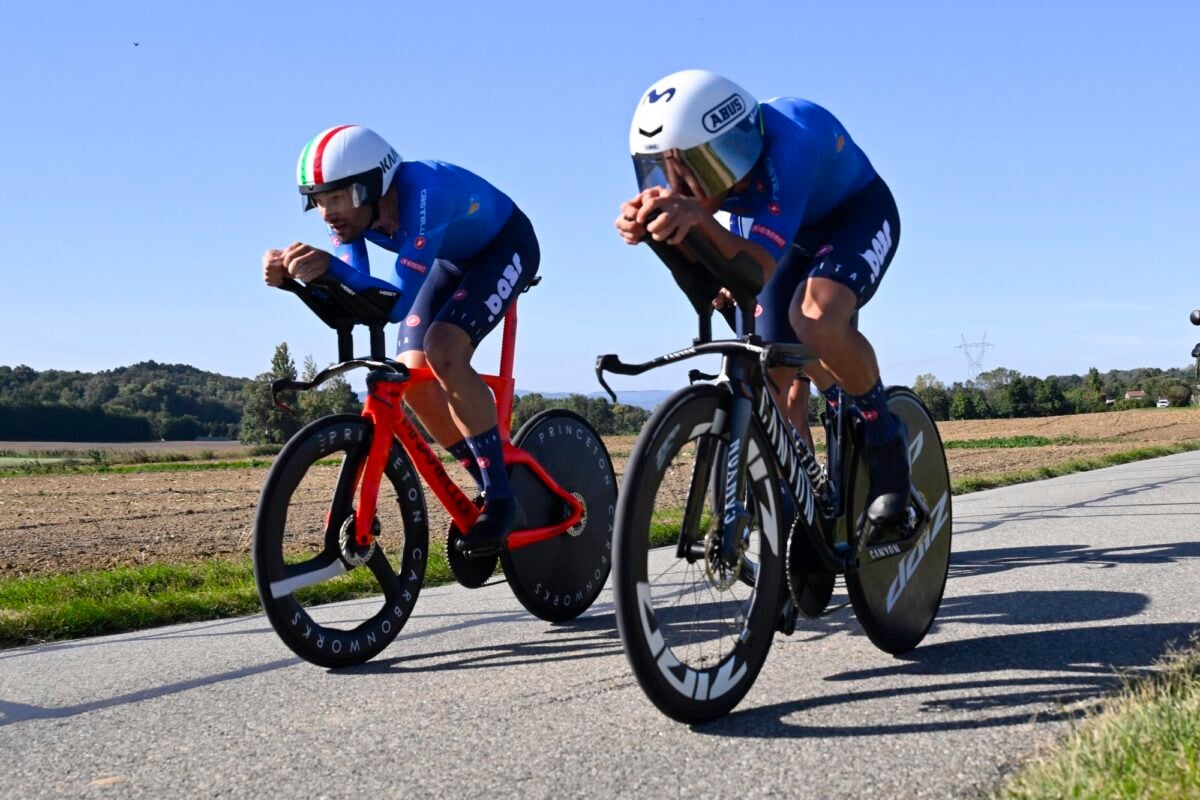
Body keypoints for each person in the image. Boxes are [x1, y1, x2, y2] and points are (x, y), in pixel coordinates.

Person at [615, 70, 909, 531]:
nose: (680, 186)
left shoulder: (789, 144)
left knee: (814, 318)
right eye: (666, 172)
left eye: (693, 171)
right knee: (764, 362)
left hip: (855, 216)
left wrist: (695, 220)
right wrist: (657, 234)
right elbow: (718, 280)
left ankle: (883, 437)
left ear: (735, 149)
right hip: (787, 233)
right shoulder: (730, 167)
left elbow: (754, 269)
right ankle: (793, 512)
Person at [262, 124, 539, 555]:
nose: (328, 213)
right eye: (318, 200)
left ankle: (502, 500)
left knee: (445, 350)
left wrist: (330, 269)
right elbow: (363, 295)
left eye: (338, 197)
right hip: (449, 260)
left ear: (375, 186)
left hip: (506, 246)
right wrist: (296, 281)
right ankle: (486, 479)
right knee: (413, 375)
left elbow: (391, 304)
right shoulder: (353, 219)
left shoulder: (426, 194)